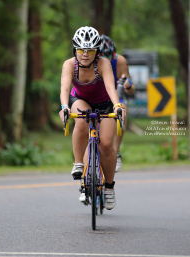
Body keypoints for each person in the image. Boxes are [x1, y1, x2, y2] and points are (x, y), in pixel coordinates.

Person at [59, 26, 126, 210]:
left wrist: (118, 105)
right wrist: (64, 107)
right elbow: (65, 89)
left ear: (97, 51)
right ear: (75, 50)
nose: (85, 54)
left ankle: (109, 188)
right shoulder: (69, 65)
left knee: (105, 144)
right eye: (81, 50)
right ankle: (79, 163)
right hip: (80, 100)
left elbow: (112, 88)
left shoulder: (103, 64)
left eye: (90, 50)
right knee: (81, 119)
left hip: (105, 103)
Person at [99, 35, 135, 172]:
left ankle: (117, 151)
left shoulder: (120, 61)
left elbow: (131, 90)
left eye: (109, 58)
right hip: (95, 96)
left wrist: (128, 84)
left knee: (122, 111)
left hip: (115, 97)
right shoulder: (88, 60)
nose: (106, 62)